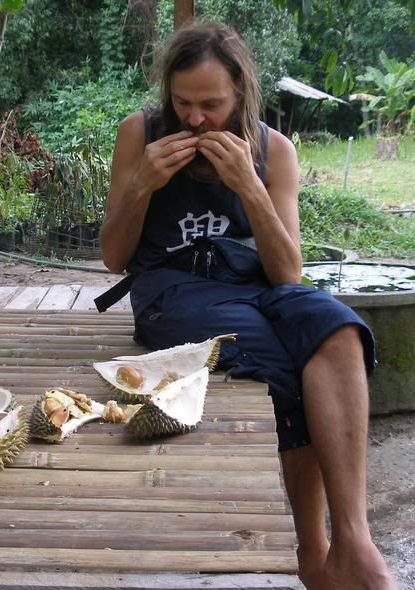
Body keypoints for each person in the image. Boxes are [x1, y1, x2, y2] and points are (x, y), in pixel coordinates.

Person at [98, 21, 397, 590]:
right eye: (183, 103)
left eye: (211, 104)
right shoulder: (139, 134)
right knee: (286, 366)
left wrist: (249, 186)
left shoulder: (272, 149)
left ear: (241, 95)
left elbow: (289, 272)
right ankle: (315, 555)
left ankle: (354, 541)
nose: (194, 119)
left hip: (259, 285)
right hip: (173, 289)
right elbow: (115, 257)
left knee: (336, 329)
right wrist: (142, 184)